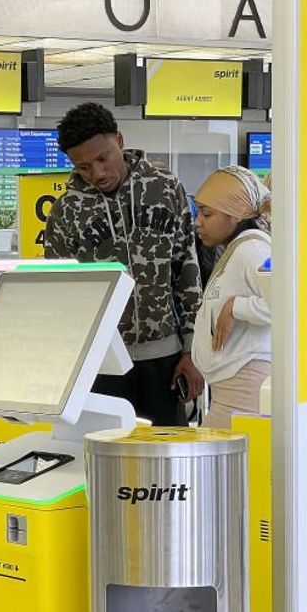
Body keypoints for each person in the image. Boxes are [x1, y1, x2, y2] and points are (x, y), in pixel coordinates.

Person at [43, 103, 204, 426]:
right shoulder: (66, 211)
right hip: (101, 362)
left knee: (167, 458)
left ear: (119, 139)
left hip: (165, 358)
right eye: (84, 166)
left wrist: (192, 350)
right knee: (109, 459)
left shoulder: (166, 188)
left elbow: (186, 270)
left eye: (103, 159)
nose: (98, 174)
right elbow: (60, 297)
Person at [190, 166, 272, 429]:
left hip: (245, 388)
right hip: (231, 389)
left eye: (207, 214)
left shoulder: (253, 250)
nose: (197, 222)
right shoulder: (237, 251)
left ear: (235, 216)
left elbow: (288, 303)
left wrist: (236, 306)